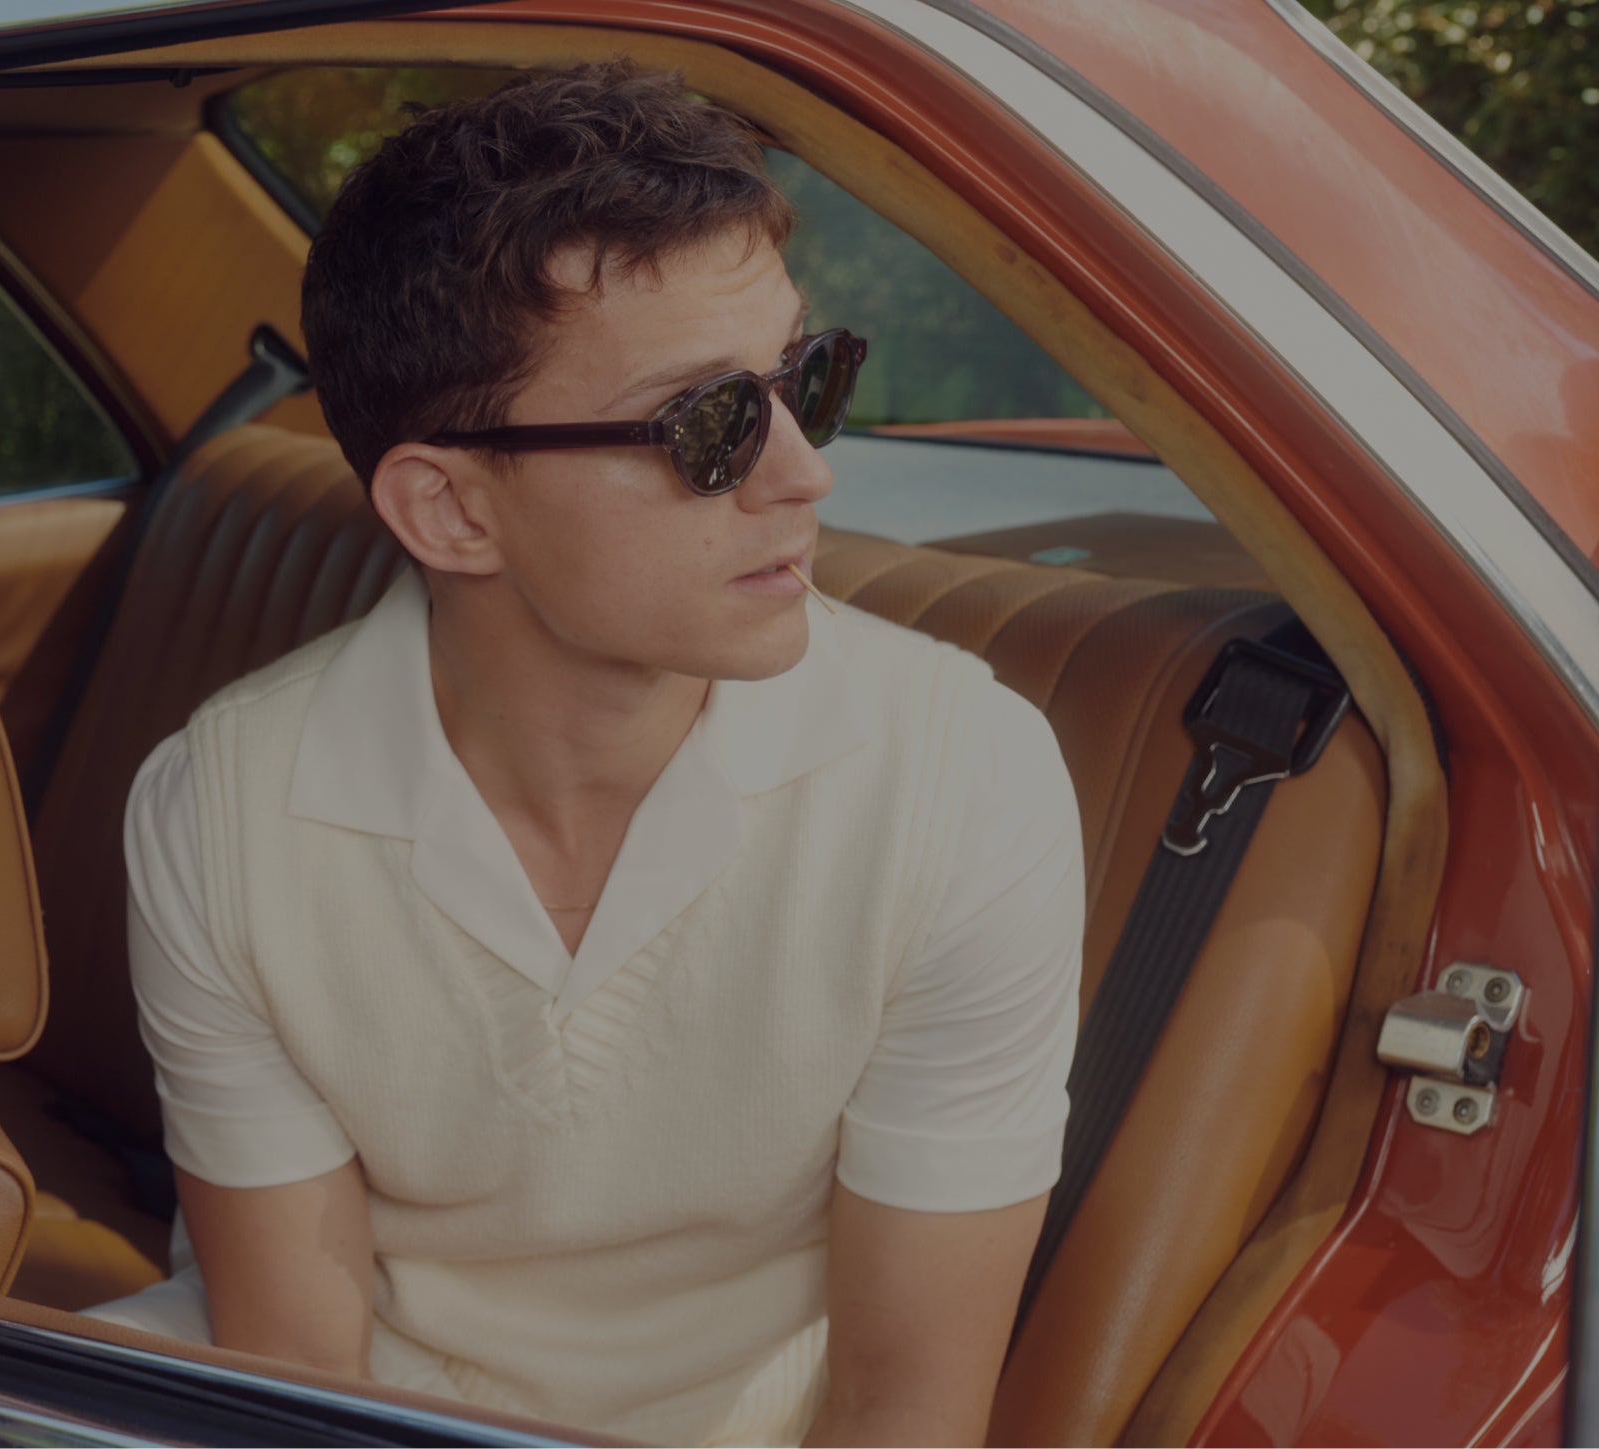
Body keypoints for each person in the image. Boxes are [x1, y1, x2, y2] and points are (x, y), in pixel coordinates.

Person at [80, 61, 1085, 1446]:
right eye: (710, 424)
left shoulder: (966, 781)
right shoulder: (220, 811)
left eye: (807, 377)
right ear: (449, 509)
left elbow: (905, 1403)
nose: (804, 471)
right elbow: (295, 1370)